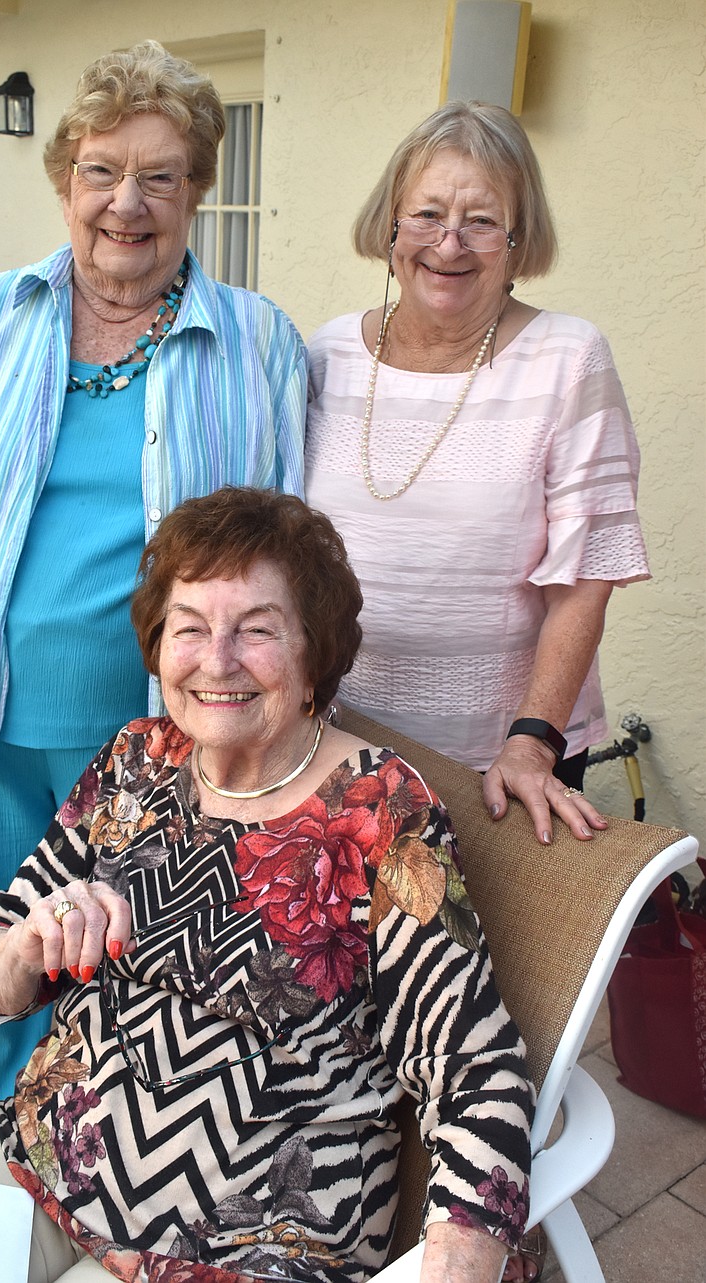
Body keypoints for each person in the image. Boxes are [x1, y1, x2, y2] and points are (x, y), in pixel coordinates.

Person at [0, 487, 534, 1283]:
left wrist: (459, 1261)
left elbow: (478, 1071)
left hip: (247, 1238)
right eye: (190, 627)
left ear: (313, 652)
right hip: (41, 1156)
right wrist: (31, 941)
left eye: (256, 630)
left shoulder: (381, 812)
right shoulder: (137, 762)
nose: (217, 660)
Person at [0, 42, 306, 1152]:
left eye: (161, 176)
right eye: (103, 171)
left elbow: (291, 546)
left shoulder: (259, 342)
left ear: (198, 192)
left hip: (161, 741)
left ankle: (81, 1190)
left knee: (127, 981)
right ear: (67, 184)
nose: (128, 203)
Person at [305, 100, 649, 850]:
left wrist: (530, 742)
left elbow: (584, 581)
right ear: (391, 225)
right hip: (336, 750)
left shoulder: (569, 358)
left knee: (493, 966)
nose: (449, 244)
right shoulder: (325, 354)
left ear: (519, 239)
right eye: (426, 214)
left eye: (482, 221)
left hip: (499, 765)